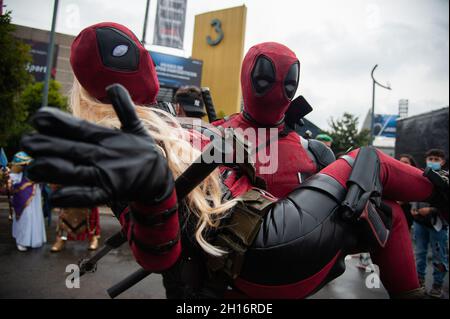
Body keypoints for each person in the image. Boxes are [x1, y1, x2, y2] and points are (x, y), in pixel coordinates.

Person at [21, 22, 449, 299]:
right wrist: (155, 198)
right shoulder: (134, 141)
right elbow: (156, 248)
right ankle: (442, 189)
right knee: (367, 159)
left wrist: (217, 145)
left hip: (259, 254)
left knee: (387, 210)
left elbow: (222, 172)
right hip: (257, 253)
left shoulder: (168, 127)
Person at [213, 42, 336, 198]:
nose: (276, 91)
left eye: (288, 83)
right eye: (265, 80)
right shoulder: (207, 138)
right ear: (247, 75)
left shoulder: (317, 155)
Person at [412, 149, 448, 298]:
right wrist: (414, 207)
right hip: (420, 224)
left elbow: (446, 202)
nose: (432, 161)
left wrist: (431, 210)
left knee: (439, 256)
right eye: (430, 158)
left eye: (436, 159)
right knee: (420, 254)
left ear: (442, 162)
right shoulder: (422, 175)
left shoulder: (445, 178)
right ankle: (419, 282)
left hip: (438, 224)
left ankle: (437, 285)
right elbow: (414, 193)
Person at [8, 152, 46, 251]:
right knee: (25, 217)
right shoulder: (20, 156)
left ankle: (32, 240)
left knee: (35, 217)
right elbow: (13, 176)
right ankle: (22, 241)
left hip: (35, 193)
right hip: (23, 195)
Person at [397, 154, 418, 228]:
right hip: (395, 208)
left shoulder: (415, 177)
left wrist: (402, 201)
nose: (402, 164)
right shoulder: (395, 175)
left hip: (407, 210)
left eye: (405, 162)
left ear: (411, 164)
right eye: (400, 162)